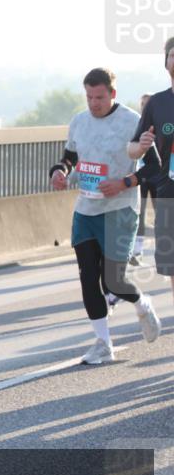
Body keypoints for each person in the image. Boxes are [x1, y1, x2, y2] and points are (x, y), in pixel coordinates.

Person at [51, 68, 161, 366]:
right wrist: (60, 171)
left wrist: (123, 183)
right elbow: (70, 157)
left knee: (113, 281)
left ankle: (141, 304)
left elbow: (153, 167)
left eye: (99, 97)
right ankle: (103, 343)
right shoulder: (79, 121)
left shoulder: (131, 122)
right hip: (86, 209)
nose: (93, 103)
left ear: (112, 94)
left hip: (120, 209)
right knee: (88, 277)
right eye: (88, 97)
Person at [101, 36, 174, 306]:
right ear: (166, 62)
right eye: (173, 55)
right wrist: (140, 146)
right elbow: (132, 148)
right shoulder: (157, 104)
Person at [130, 93, 156, 266]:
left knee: (162, 211)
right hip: (139, 175)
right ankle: (137, 250)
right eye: (142, 104)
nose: (144, 107)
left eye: (148, 104)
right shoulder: (135, 123)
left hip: (157, 174)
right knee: (139, 211)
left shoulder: (161, 122)